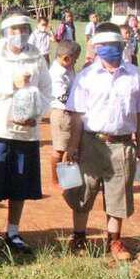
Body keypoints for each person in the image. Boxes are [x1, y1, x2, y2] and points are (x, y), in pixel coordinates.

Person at [63, 23, 140, 260]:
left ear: (122, 45)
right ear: (96, 47)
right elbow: (76, 114)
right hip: (91, 142)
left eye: (114, 44)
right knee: (83, 191)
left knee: (118, 193)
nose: (110, 48)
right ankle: (79, 237)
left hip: (122, 144)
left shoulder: (135, 75)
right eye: (104, 45)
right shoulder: (86, 76)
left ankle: (114, 241)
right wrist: (72, 146)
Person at [0, 10, 52, 254]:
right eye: (14, 29)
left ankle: (13, 232)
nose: (20, 34)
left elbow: (47, 92)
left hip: (27, 132)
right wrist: (11, 84)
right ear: (5, 32)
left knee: (20, 185)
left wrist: (35, 116)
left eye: (24, 29)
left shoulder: (37, 58)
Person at [48, 40, 81, 187]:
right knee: (60, 149)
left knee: (70, 147)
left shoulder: (68, 69)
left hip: (70, 113)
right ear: (66, 58)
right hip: (62, 113)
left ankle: (67, 179)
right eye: (75, 59)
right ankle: (55, 180)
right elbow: (63, 97)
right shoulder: (57, 74)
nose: (76, 62)